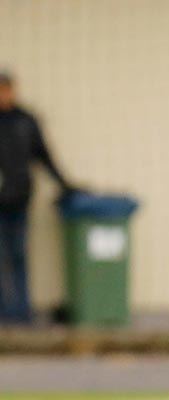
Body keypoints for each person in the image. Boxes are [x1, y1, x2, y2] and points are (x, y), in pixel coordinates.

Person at [0, 70, 73, 325]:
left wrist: (65, 184)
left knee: (18, 255)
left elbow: (44, 156)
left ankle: (22, 313)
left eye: (6, 89)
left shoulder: (25, 121)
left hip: (19, 199)